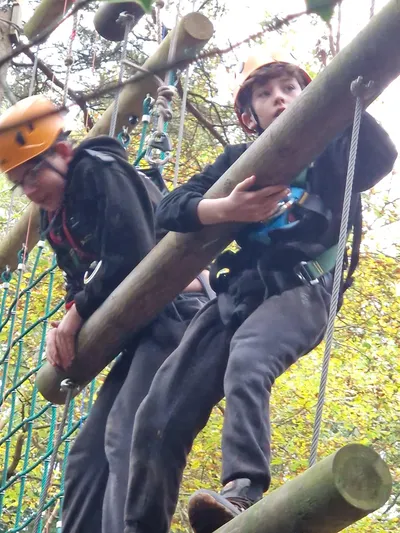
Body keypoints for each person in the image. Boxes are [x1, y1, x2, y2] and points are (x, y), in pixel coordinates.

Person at [120, 53, 398, 533]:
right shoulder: (240, 163)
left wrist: (339, 99)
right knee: (157, 413)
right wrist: (226, 207)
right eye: (266, 95)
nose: (280, 99)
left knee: (249, 359)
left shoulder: (335, 152)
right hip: (240, 292)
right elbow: (170, 208)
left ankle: (242, 490)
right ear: (250, 115)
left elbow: (380, 156)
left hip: (307, 286)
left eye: (290, 90)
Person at [0, 95, 213, 533]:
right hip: (145, 329)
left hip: (178, 314)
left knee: (124, 437)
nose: (32, 188)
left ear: (62, 153)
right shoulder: (55, 216)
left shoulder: (99, 171)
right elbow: (80, 283)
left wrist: (79, 313)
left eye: (34, 172)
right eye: (21, 183)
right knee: (85, 456)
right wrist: (68, 316)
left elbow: (134, 250)